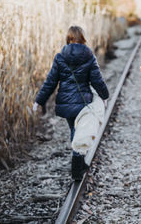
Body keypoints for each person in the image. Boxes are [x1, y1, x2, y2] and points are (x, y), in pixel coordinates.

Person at [33, 26, 109, 180]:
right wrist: (104, 96)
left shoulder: (60, 57)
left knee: (74, 130)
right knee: (79, 131)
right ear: (83, 37)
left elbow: (50, 82)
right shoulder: (89, 56)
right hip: (83, 102)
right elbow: (97, 80)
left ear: (68, 38)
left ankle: (79, 163)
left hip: (66, 103)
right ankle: (77, 168)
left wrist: (39, 100)